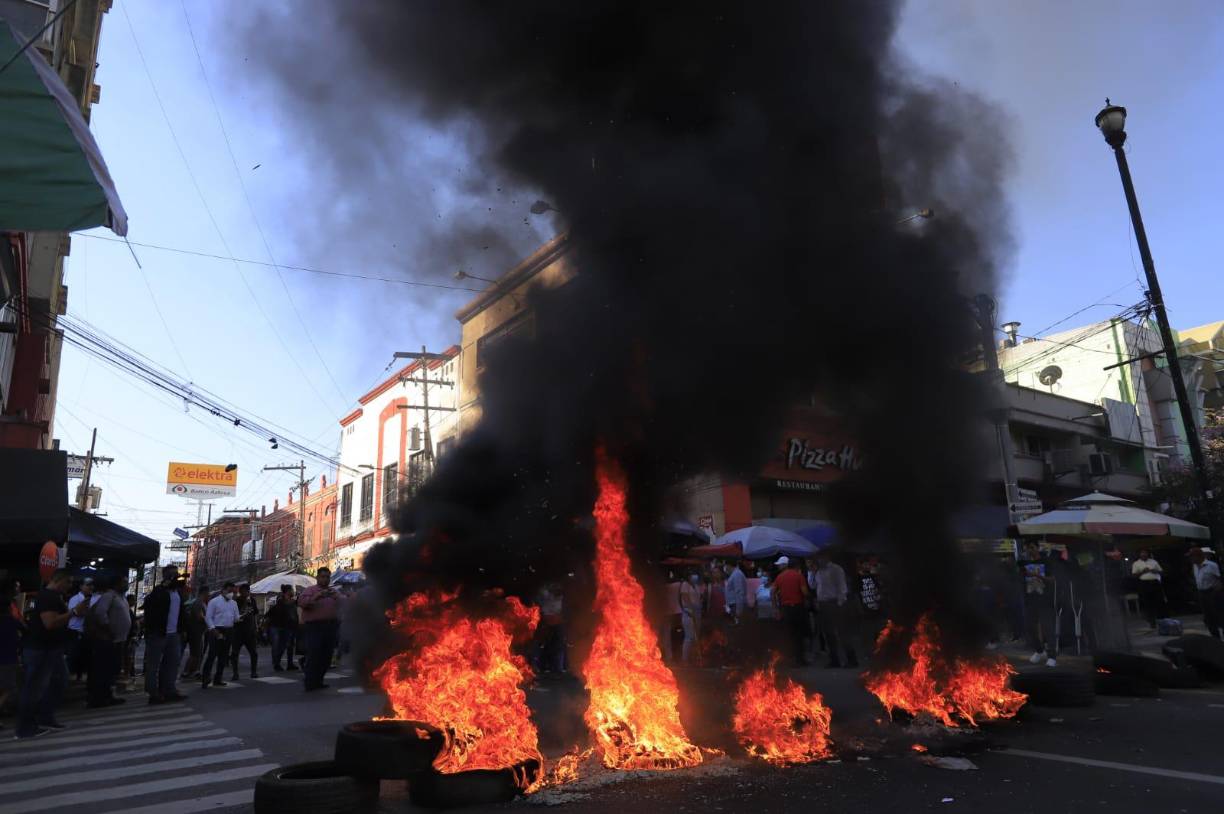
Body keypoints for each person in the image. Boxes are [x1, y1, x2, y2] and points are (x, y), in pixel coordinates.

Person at [14, 569, 80, 738]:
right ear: (60, 580)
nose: (70, 586)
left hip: (51, 648)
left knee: (58, 682)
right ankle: (25, 728)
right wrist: (74, 612)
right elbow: (50, 623)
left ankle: (44, 717)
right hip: (41, 649)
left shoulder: (51, 596)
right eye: (69, 582)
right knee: (34, 687)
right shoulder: (48, 597)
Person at [142, 565, 187, 705]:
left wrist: (182, 629)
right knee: (153, 665)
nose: (176, 577)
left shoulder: (177, 592)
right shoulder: (158, 591)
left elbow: (181, 612)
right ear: (166, 576)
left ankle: (169, 690)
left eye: (176, 574)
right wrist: (163, 586)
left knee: (172, 664)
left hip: (174, 634)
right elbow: (149, 604)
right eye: (173, 575)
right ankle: (153, 693)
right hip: (158, 634)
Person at [87, 574, 131, 708]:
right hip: (108, 640)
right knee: (103, 669)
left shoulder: (121, 597)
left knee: (113, 669)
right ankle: (98, 697)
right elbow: (100, 613)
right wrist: (108, 629)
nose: (126, 584)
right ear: (116, 583)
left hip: (119, 640)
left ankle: (108, 694)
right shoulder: (109, 595)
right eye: (124, 581)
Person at [298, 568, 343, 691]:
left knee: (327, 656)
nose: (325, 579)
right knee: (314, 655)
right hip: (314, 627)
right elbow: (302, 603)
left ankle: (319, 680)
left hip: (331, 626)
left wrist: (337, 597)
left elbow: (344, 603)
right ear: (317, 578)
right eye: (323, 576)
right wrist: (317, 596)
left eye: (327, 577)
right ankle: (310, 682)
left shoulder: (333, 592)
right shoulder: (310, 590)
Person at [811, 552, 857, 668]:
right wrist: (812, 572)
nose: (819, 561)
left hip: (835, 603)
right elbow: (813, 586)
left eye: (820, 558)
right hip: (824, 604)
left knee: (842, 633)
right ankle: (834, 660)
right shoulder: (818, 571)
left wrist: (840, 603)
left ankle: (852, 659)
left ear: (827, 557)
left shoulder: (836, 569)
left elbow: (842, 587)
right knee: (829, 634)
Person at [1020, 543, 1057, 667]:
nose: (1030, 550)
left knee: (1047, 628)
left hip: (1044, 600)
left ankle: (1052, 656)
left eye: (1032, 547)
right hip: (1030, 600)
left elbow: (1053, 579)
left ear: (1037, 548)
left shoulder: (1046, 561)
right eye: (1028, 548)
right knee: (1029, 627)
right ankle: (1039, 651)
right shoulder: (1024, 563)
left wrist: (1038, 575)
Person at [772, 556, 809, 666]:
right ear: (797, 566)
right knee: (799, 634)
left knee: (790, 634)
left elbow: (772, 592)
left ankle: (791, 659)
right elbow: (805, 592)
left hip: (786, 609)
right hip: (798, 608)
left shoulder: (779, 577)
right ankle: (800, 659)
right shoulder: (799, 576)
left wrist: (775, 607)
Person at [201, 582, 239, 688]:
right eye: (230, 591)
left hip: (229, 630)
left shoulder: (233, 603)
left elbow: (236, 618)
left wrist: (240, 616)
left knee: (223, 656)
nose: (231, 593)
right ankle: (205, 678)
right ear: (223, 590)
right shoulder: (214, 602)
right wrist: (213, 629)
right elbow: (208, 617)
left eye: (233, 591)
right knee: (212, 655)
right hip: (217, 630)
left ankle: (218, 678)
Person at [66, 578, 97, 681]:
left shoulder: (92, 599)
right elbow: (75, 613)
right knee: (73, 655)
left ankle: (79, 677)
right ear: (81, 586)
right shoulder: (75, 599)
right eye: (88, 585)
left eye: (92, 585)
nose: (91, 587)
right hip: (75, 632)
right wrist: (89, 614)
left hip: (86, 632)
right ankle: (67, 677)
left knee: (84, 656)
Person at [1189, 548, 1222, 640]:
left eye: (1192, 557)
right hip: (1202, 593)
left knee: (1219, 615)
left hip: (1213, 592)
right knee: (1208, 618)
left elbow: (1219, 579)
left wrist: (1217, 591)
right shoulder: (1195, 566)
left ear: (1199, 557)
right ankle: (1216, 639)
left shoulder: (1212, 565)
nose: (1191, 559)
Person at [229, 583, 259, 680]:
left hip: (250, 631)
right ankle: (235, 673)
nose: (247, 593)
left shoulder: (252, 600)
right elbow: (235, 615)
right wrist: (245, 603)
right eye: (245, 591)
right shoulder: (236, 601)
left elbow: (255, 613)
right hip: (238, 631)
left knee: (253, 652)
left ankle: (253, 672)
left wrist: (256, 626)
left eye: (248, 591)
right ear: (241, 592)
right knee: (235, 653)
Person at [267, 585, 299, 671]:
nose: (293, 591)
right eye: (292, 590)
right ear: (288, 591)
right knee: (280, 646)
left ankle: (290, 664)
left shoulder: (293, 602)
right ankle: (276, 664)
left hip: (290, 626)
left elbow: (294, 614)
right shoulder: (280, 601)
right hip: (279, 626)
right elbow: (273, 613)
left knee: (290, 646)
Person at [1131, 549, 1164, 629]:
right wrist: (1143, 572)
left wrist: (1154, 570)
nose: (1144, 554)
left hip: (1155, 583)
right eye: (1142, 553)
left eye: (1145, 553)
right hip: (1144, 584)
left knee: (1158, 602)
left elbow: (1161, 572)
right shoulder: (1136, 563)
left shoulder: (1153, 562)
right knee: (1148, 603)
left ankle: (1162, 621)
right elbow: (1134, 575)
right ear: (1139, 554)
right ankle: (1152, 622)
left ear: (1148, 554)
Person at [181, 584, 209, 678]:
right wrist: (208, 620)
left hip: (198, 631)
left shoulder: (199, 602)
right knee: (195, 653)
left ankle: (193, 671)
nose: (208, 595)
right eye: (207, 593)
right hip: (195, 631)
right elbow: (199, 616)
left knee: (198, 652)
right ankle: (187, 671)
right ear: (204, 593)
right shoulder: (198, 602)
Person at [678, 570, 703, 665]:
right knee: (689, 636)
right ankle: (685, 659)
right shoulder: (685, 585)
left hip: (697, 612)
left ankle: (693, 658)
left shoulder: (695, 585)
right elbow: (685, 598)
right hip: (688, 612)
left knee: (696, 637)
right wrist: (691, 609)